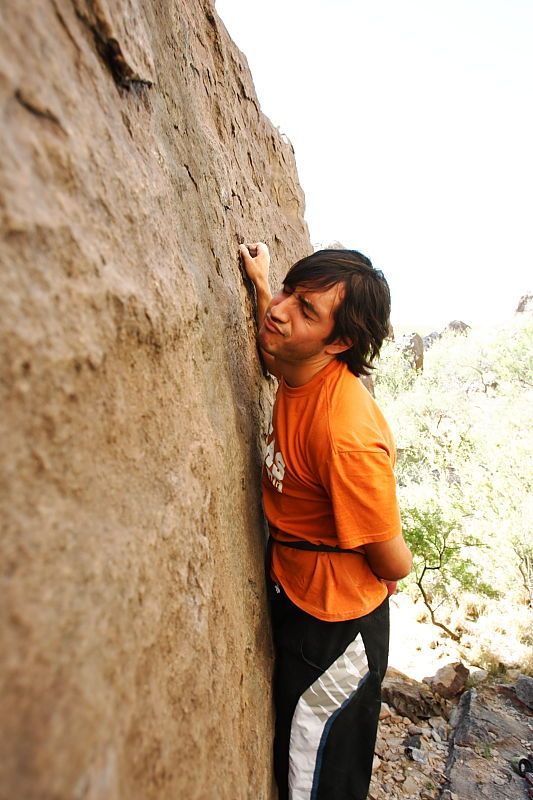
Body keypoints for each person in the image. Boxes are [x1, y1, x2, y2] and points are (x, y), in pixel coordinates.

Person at [239, 242, 412, 800]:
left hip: (337, 627)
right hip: (299, 591)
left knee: (314, 776)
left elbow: (393, 563)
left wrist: (380, 563)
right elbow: (277, 347)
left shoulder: (347, 434)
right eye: (292, 292)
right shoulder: (299, 361)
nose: (282, 309)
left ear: (339, 343)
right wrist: (265, 284)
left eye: (306, 310)